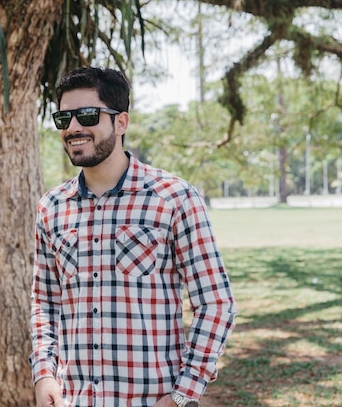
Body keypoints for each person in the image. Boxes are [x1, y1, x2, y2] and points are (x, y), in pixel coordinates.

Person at [29, 67, 237, 407]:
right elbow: (45, 302)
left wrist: (182, 395)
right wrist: (44, 374)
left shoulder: (174, 198)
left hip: (153, 399)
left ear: (121, 122)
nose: (74, 128)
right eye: (64, 118)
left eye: (87, 115)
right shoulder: (51, 207)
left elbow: (216, 304)